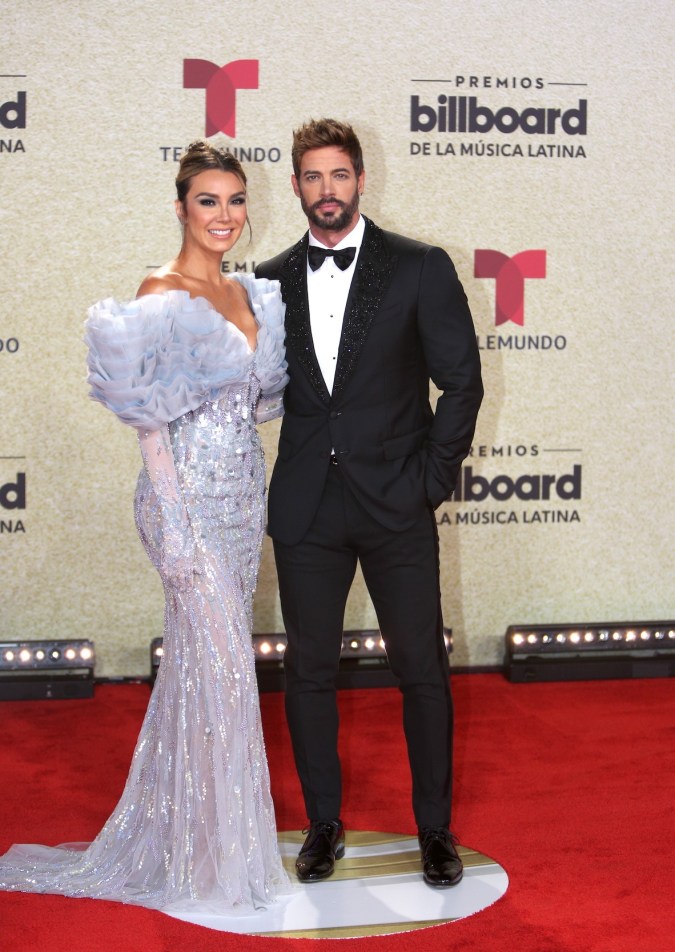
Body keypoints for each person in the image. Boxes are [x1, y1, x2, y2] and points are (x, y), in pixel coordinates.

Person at [0, 141, 291, 912]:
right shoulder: (160, 293)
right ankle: (217, 863)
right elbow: (151, 428)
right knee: (226, 674)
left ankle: (196, 846)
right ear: (180, 207)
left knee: (207, 674)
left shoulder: (252, 296)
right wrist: (175, 525)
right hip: (183, 501)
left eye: (234, 200)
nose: (224, 215)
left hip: (241, 500)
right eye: (208, 201)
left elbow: (258, 405)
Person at [256, 119, 483, 888]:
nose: (327, 190)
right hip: (306, 509)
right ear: (294, 186)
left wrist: (427, 479)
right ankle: (323, 823)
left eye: (340, 176)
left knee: (421, 669)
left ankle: (434, 829)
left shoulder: (419, 268)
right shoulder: (268, 277)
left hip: (395, 503)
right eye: (312, 177)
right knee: (308, 671)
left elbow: (461, 383)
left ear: (361, 180)